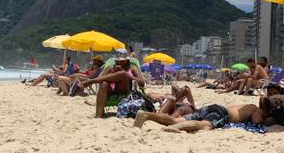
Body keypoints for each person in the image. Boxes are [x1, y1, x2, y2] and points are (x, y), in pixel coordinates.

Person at [133, 101, 269, 133]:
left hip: (213, 107)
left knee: (176, 118)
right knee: (205, 125)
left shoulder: (247, 105)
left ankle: (146, 115)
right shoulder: (257, 110)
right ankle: (174, 128)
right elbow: (256, 121)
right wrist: (266, 120)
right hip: (221, 114)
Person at [80, 55, 145, 118]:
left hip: (125, 89)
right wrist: (113, 72)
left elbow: (142, 83)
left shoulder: (132, 67)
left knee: (123, 74)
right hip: (112, 90)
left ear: (127, 60)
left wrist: (130, 76)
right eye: (119, 60)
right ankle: (99, 115)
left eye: (123, 60)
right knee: (104, 84)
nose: (121, 62)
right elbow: (101, 79)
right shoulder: (111, 67)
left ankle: (90, 81)